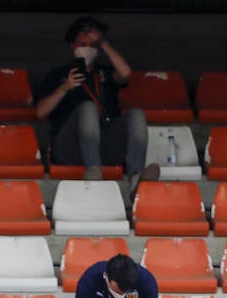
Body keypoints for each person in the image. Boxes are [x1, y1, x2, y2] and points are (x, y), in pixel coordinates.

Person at [36, 16, 154, 193]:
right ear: (73, 46)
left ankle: (136, 176)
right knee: (87, 107)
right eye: (83, 44)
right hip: (69, 149)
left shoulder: (104, 72)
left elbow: (125, 73)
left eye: (93, 45)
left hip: (105, 148)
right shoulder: (58, 74)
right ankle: (93, 170)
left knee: (136, 114)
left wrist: (103, 42)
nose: (88, 49)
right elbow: (40, 112)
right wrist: (65, 88)